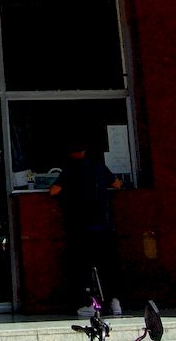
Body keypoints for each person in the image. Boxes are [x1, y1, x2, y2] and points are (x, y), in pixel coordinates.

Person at [49, 136, 123, 317]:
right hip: (104, 226)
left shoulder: (70, 169)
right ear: (85, 151)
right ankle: (115, 303)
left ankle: (90, 304)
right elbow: (116, 184)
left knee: (83, 267)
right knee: (108, 265)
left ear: (71, 153)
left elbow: (54, 191)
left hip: (82, 228)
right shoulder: (98, 166)